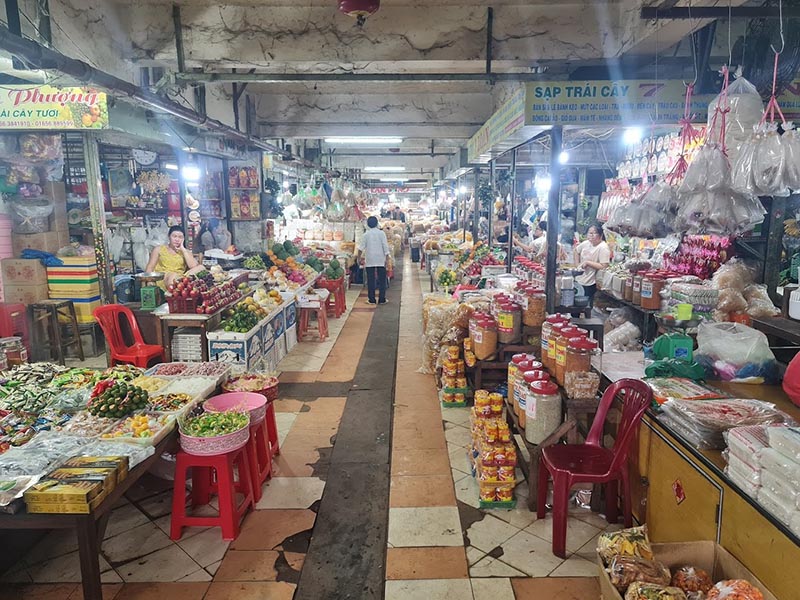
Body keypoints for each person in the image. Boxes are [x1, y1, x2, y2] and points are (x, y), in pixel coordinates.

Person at [574, 223, 611, 307]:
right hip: (579, 279)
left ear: (601, 235)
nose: (591, 235)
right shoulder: (586, 243)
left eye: (594, 233)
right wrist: (577, 265)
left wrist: (588, 263)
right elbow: (576, 251)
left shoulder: (603, 247)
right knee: (575, 304)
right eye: (589, 233)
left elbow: (604, 265)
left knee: (585, 306)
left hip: (591, 282)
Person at [357, 216, 391, 305]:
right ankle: (382, 299)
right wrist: (387, 258)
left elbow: (360, 248)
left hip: (370, 259)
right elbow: (385, 246)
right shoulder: (381, 233)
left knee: (371, 279)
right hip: (380, 259)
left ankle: (371, 299)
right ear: (376, 224)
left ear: (368, 224)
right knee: (382, 279)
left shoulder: (366, 235)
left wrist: (358, 257)